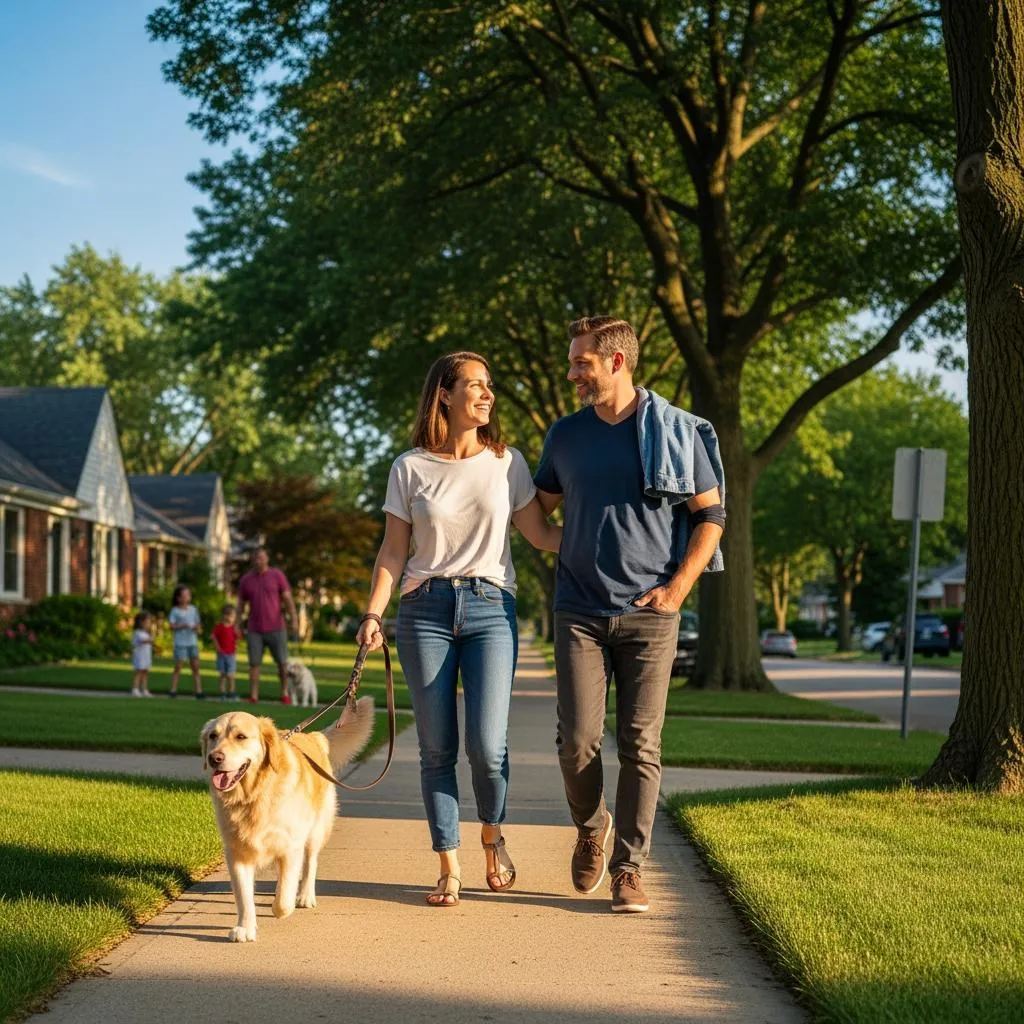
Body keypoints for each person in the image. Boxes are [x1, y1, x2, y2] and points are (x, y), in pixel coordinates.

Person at [534, 316, 726, 914]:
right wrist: (577, 547)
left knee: (641, 744)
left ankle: (629, 867)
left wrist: (675, 591)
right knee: (578, 742)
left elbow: (711, 518)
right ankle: (593, 827)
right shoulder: (565, 436)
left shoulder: (673, 431)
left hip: (651, 614)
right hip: (579, 610)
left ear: (616, 362)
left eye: (580, 363)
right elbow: (537, 517)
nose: (572, 372)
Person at [357, 351, 562, 908]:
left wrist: (615, 539)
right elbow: (393, 550)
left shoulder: (507, 463)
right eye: (475, 385)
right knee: (436, 748)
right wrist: (374, 613)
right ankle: (449, 865)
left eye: (489, 385)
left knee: (488, 747)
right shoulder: (409, 468)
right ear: (443, 395)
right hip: (424, 609)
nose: (487, 394)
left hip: (490, 607)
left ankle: (492, 837)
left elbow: (543, 536)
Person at [236, 548, 299, 704]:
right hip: (254, 629)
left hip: (277, 627)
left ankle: (285, 693)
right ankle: (254, 695)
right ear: (252, 560)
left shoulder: (277, 576)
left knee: (282, 663)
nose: (259, 560)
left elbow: (288, 600)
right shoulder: (246, 580)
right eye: (256, 557)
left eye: (262, 557)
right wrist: (237, 625)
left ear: (267, 559)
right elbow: (240, 605)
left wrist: (294, 620)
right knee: (254, 664)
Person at [168, 585, 204, 699]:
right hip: (180, 643)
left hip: (192, 642)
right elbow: (171, 625)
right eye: (183, 595)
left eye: (188, 595)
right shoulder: (175, 611)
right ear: (178, 598)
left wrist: (196, 628)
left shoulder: (193, 610)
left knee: (195, 667)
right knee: (178, 666)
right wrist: (182, 625)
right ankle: (173, 690)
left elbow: (198, 625)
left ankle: (198, 691)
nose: (186, 597)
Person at [212, 603, 241, 702]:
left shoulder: (233, 628)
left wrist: (237, 633)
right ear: (225, 615)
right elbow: (213, 637)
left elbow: (238, 638)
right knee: (223, 674)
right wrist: (217, 647)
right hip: (222, 654)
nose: (233, 618)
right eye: (231, 616)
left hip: (231, 654)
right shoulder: (219, 627)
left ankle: (231, 692)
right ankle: (222, 692)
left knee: (231, 674)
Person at [130, 611, 154, 698]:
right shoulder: (137, 633)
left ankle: (144, 689)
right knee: (138, 673)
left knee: (145, 673)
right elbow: (145, 641)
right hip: (139, 657)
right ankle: (135, 689)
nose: (149, 624)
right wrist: (151, 638)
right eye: (148, 622)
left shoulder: (146, 633)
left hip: (146, 657)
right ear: (141, 622)